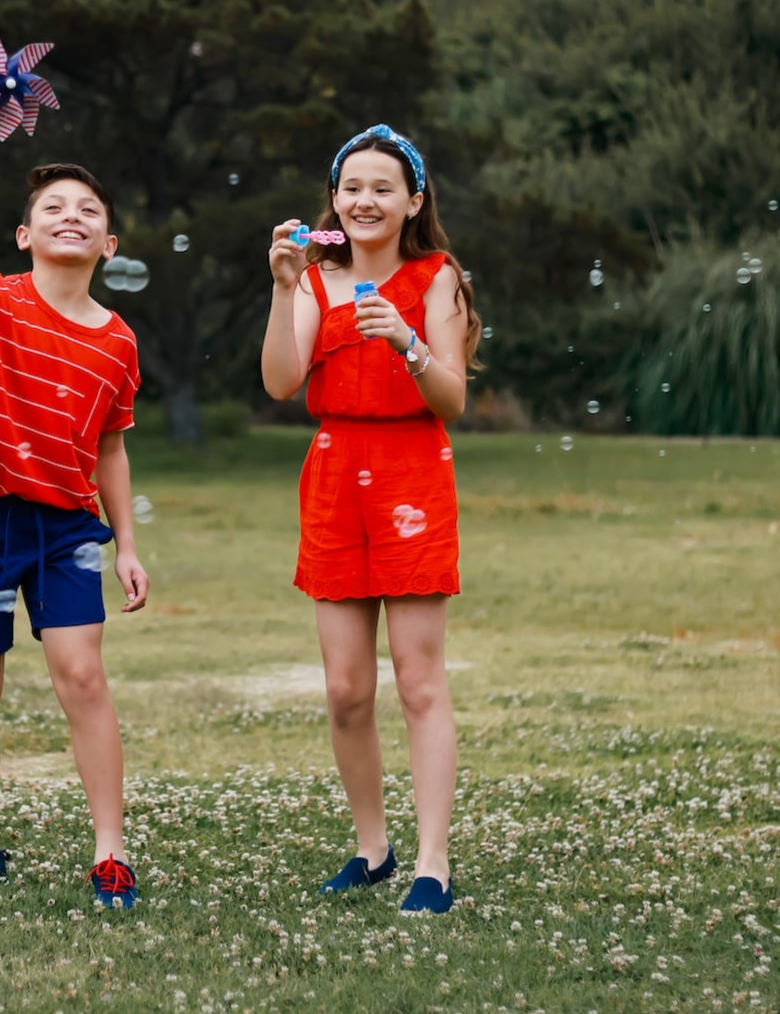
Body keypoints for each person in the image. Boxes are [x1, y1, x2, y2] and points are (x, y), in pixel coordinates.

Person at [0, 163, 148, 909]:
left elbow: (111, 447)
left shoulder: (117, 342)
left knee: (83, 677)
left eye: (87, 209)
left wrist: (128, 545)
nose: (70, 215)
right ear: (25, 234)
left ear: (108, 243)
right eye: (53, 206)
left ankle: (110, 853)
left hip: (67, 527)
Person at [261, 124, 481, 914]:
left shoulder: (436, 280)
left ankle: (432, 863)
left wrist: (411, 346)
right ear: (334, 200)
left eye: (383, 187)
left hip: (412, 473)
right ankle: (373, 848)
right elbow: (282, 384)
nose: (364, 199)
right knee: (348, 690)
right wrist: (286, 287)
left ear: (413, 201)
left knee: (419, 682)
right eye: (351, 186)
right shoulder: (317, 282)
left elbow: (451, 398)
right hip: (333, 475)